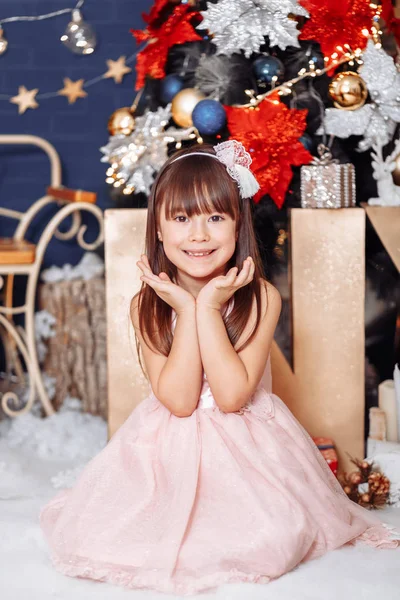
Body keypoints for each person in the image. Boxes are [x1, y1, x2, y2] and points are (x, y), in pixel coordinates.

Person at [40, 140, 399, 595]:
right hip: (167, 448)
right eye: (181, 218)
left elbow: (231, 399)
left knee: (261, 538)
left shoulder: (260, 298)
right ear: (158, 230)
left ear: (237, 225)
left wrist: (208, 308)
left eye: (215, 217)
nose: (199, 235)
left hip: (248, 448)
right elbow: (179, 401)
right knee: (123, 533)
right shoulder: (146, 305)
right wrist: (187, 312)